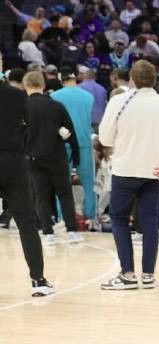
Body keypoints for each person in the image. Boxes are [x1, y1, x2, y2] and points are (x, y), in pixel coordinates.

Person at [97, 60, 159, 289]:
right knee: (150, 222)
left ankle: (127, 274)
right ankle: (148, 275)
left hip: (125, 169)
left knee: (119, 218)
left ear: (132, 80)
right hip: (155, 171)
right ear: (155, 80)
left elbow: (105, 138)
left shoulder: (119, 101)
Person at [0, 66, 51, 295]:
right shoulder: (18, 95)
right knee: (26, 222)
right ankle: (38, 280)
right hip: (14, 162)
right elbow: (29, 127)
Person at [21, 70, 81, 246]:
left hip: (33, 158)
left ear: (25, 86)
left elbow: (17, 134)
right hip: (57, 156)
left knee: (41, 196)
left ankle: (48, 233)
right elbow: (70, 132)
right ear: (43, 85)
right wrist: (76, 155)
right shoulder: (56, 106)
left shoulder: (22, 107)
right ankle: (72, 231)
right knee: (64, 193)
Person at [51, 70, 97, 228]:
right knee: (89, 184)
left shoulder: (54, 96)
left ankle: (63, 218)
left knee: (61, 183)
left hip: (62, 144)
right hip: (83, 142)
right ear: (75, 79)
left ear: (61, 80)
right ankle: (91, 217)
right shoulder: (88, 96)